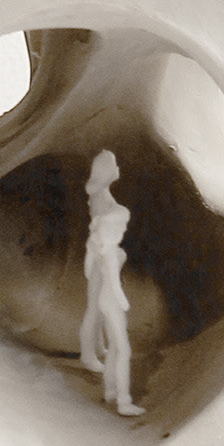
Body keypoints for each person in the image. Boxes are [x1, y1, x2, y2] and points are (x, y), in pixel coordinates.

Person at [78, 149, 143, 416]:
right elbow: (114, 280)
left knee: (115, 347)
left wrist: (95, 253)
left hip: (104, 291)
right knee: (123, 350)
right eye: (121, 227)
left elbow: (90, 258)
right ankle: (123, 401)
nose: (124, 229)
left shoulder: (105, 244)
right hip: (112, 300)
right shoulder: (111, 250)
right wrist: (123, 300)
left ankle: (110, 392)